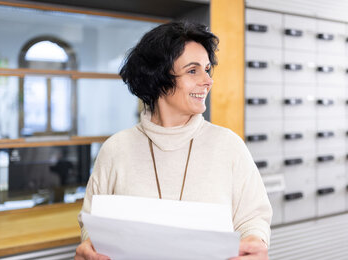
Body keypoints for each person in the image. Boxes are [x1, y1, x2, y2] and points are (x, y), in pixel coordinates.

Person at [75, 21, 272, 260]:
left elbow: (253, 218)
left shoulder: (228, 145)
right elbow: (92, 223)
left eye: (207, 69)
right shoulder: (116, 149)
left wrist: (254, 241)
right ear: (158, 78)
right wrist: (89, 247)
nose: (207, 80)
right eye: (192, 70)